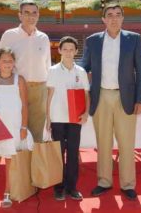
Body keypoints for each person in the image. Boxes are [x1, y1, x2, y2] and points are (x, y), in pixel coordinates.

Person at [81, 3, 141, 200]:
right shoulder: (92, 41)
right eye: (109, 15)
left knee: (127, 143)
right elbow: (84, 68)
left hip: (125, 97)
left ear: (123, 18)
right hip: (100, 96)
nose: (114, 18)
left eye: (118, 14)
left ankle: (128, 184)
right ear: (103, 19)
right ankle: (104, 181)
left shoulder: (133, 39)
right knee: (103, 143)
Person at [0, 47, 33, 209]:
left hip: (14, 126)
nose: (7, 64)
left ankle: (7, 193)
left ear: (14, 63)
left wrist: (23, 126)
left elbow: (24, 105)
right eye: (4, 61)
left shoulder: (20, 80)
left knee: (10, 161)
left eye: (10, 61)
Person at [0, 0, 51, 143]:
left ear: (38, 15)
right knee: (17, 129)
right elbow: (0, 62)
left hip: (40, 89)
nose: (31, 16)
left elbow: (48, 65)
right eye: (26, 12)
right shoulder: (9, 35)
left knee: (37, 133)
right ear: (19, 15)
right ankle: (19, 165)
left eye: (34, 12)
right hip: (17, 88)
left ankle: (36, 165)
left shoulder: (44, 38)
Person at [46, 36, 90, 201]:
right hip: (57, 118)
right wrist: (48, 118)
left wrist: (85, 113)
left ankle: (72, 187)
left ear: (76, 51)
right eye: (65, 49)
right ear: (59, 50)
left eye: (72, 49)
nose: (68, 52)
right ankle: (58, 188)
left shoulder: (81, 72)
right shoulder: (52, 71)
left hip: (75, 119)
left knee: (72, 154)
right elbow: (49, 95)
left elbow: (86, 94)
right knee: (58, 154)